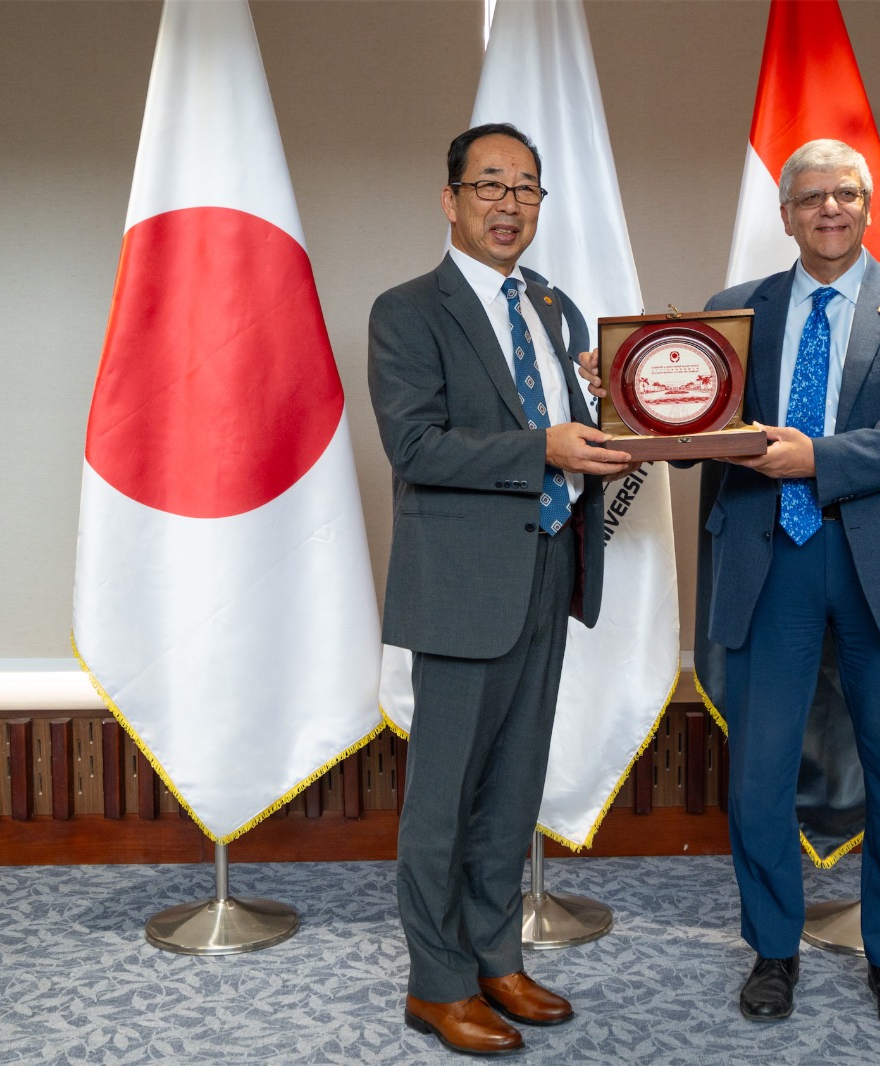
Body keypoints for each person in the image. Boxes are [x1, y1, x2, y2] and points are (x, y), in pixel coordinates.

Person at [587, 138, 880, 1032]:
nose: (829, 208)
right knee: (760, 773)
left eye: (845, 194)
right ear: (787, 215)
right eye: (810, 198)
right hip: (770, 560)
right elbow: (695, 428)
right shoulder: (736, 312)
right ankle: (772, 950)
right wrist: (630, 393)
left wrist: (820, 459)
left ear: (867, 206)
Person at [367, 122, 634, 1057]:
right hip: (461, 586)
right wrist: (543, 447)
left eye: (525, 188)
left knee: (514, 785)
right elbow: (417, 446)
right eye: (489, 184)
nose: (508, 203)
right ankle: (436, 985)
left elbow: (575, 427)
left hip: (549, 566)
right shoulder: (408, 311)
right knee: (444, 798)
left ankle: (494, 958)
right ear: (451, 200)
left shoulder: (556, 308)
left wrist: (615, 403)